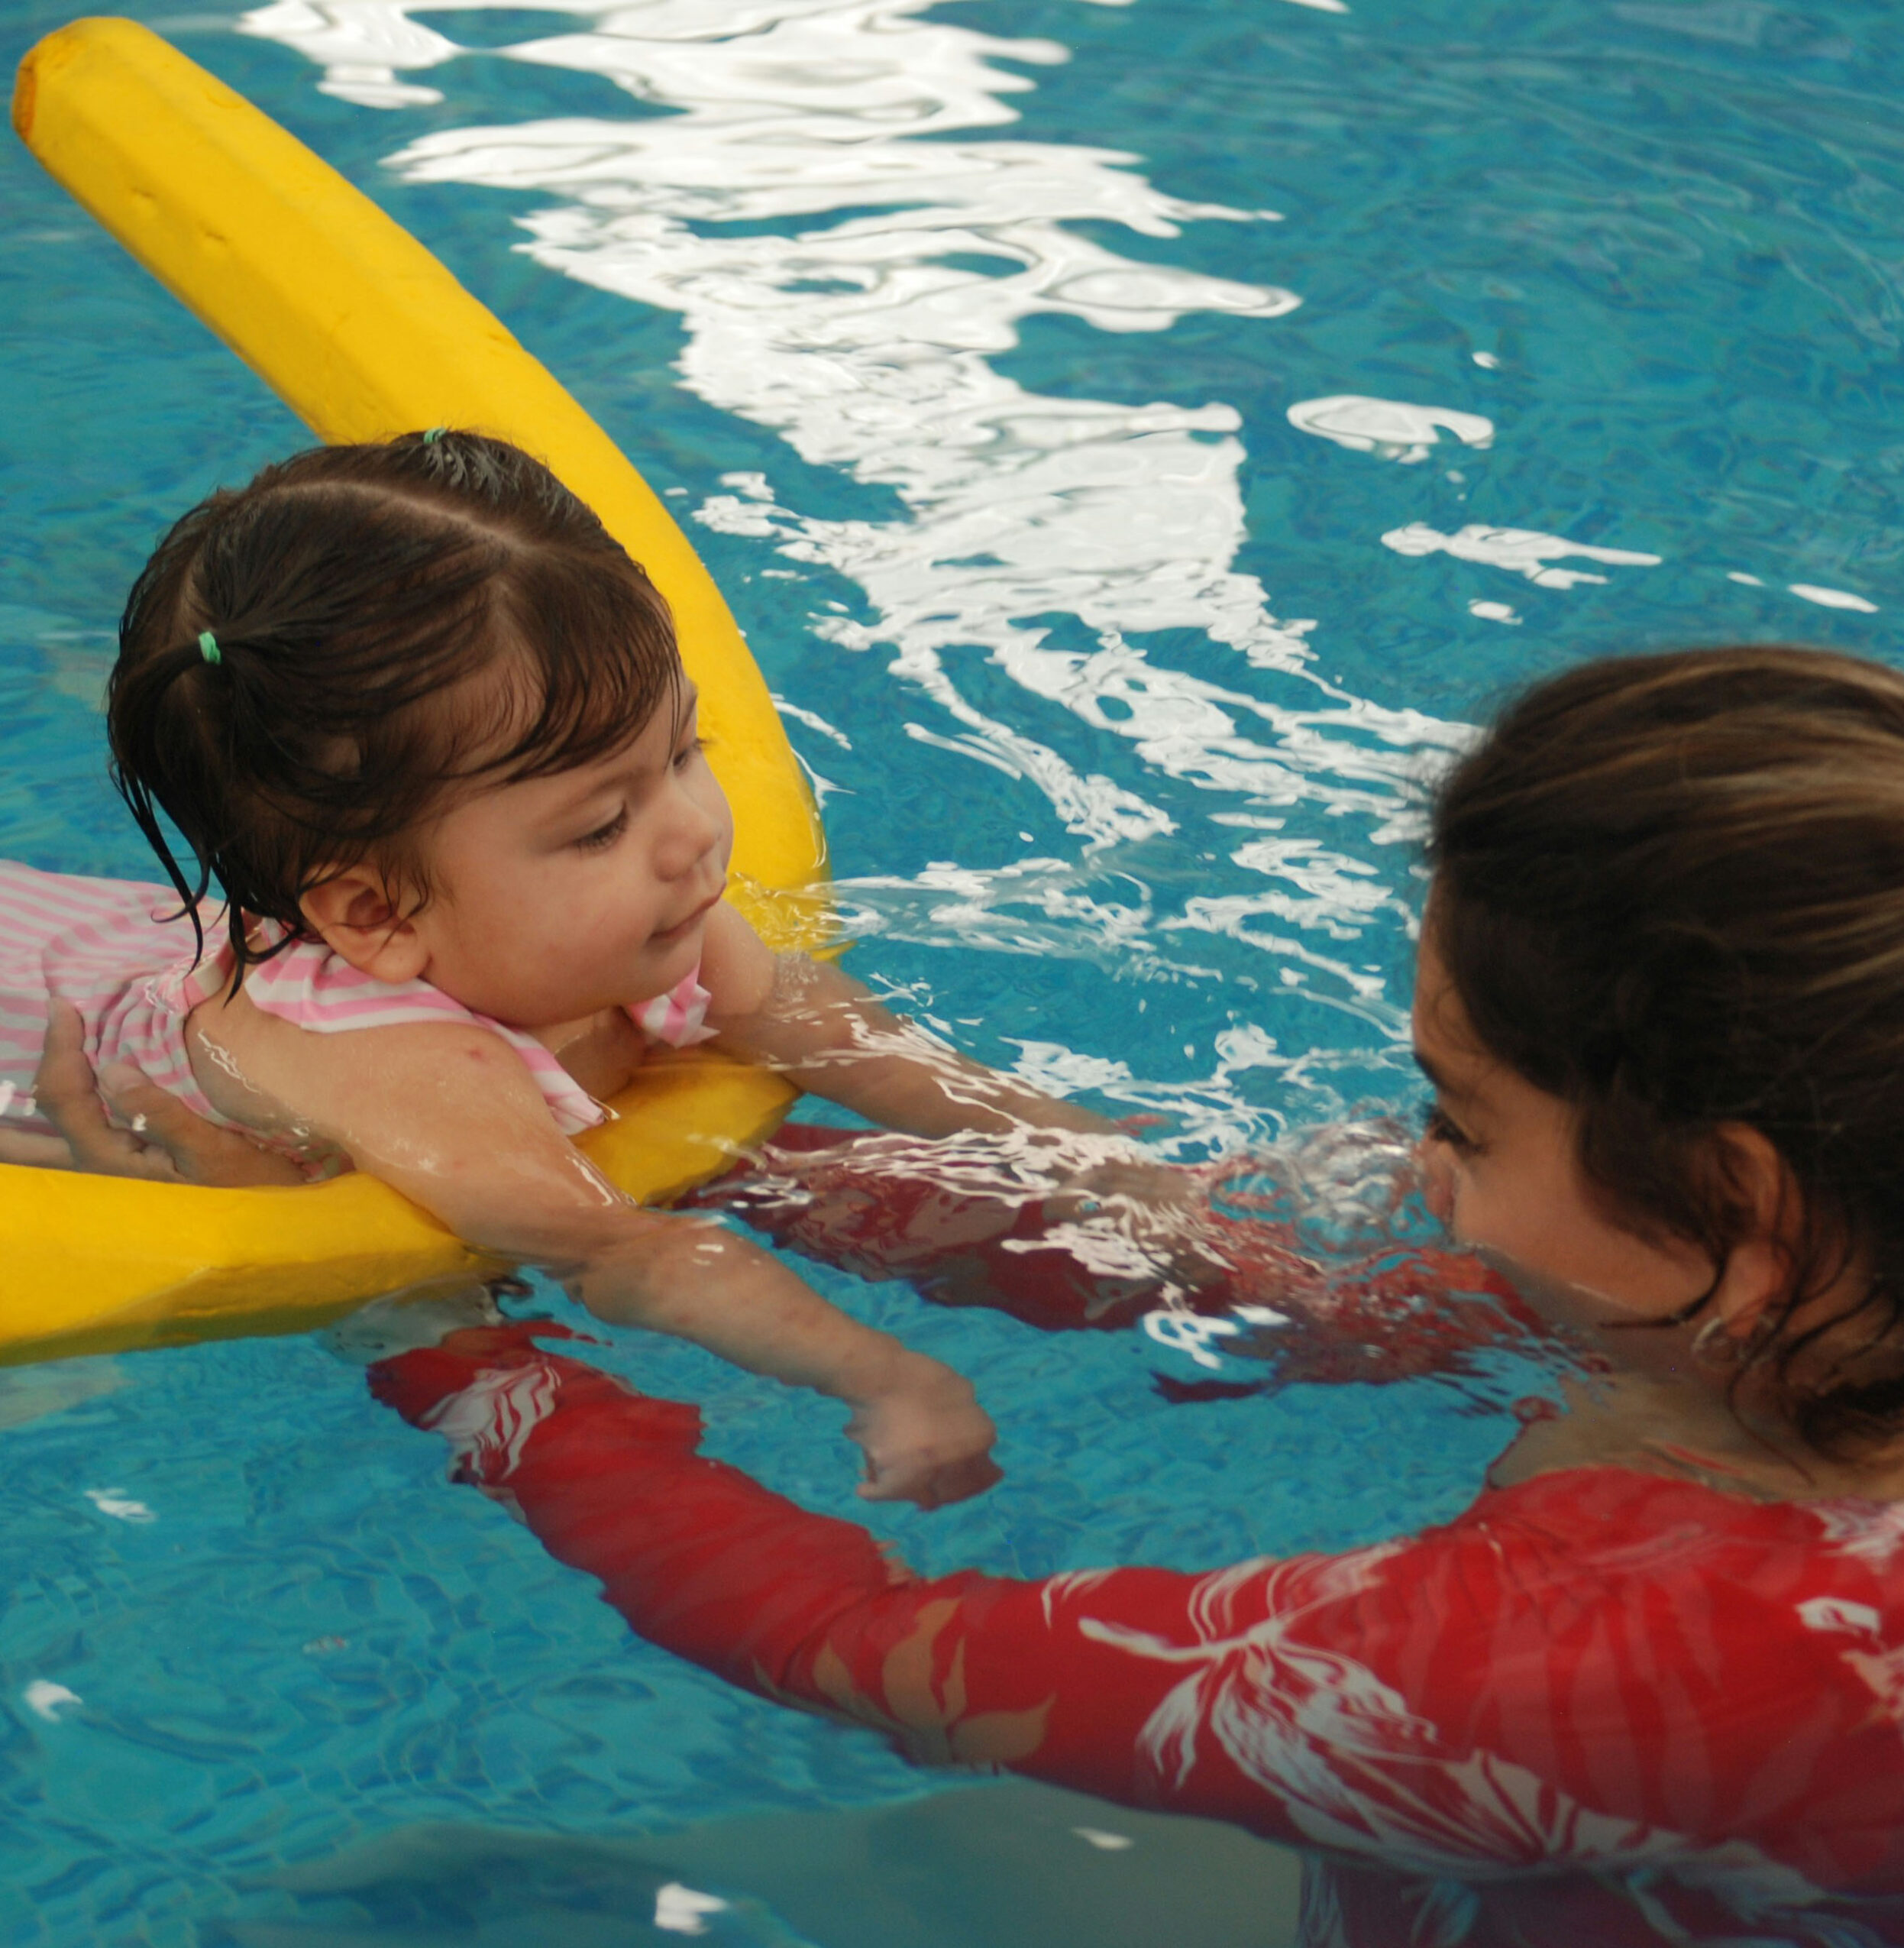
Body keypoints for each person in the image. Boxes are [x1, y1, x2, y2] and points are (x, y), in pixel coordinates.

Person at [38, 647, 1904, 1943]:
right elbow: (1270, 1279)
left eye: (1458, 1115)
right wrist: (677, 1158)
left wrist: (430, 1321)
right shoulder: (1852, 1249)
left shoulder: (1573, 1671)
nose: (1414, 1164)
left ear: (1738, 1214)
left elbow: (849, 1642)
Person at [0, 429, 1214, 1510]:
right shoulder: (412, 1074)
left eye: (685, 749)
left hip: (131, 934)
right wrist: (884, 1373)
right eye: (599, 825)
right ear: (374, 912)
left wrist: (1096, 1155)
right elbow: (621, 1254)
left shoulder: (632, 900)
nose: (691, 832)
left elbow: (834, 1034)